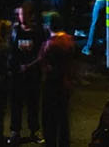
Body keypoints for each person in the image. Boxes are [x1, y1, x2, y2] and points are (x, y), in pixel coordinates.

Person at [9, 0, 46, 144]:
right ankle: (15, 132)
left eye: (23, 14)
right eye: (19, 14)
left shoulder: (38, 32)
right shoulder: (15, 31)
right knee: (16, 103)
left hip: (32, 75)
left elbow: (41, 54)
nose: (21, 17)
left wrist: (29, 66)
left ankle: (34, 130)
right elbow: (11, 51)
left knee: (33, 104)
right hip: (18, 75)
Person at [39, 15, 76, 147]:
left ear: (49, 26)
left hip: (52, 85)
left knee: (50, 119)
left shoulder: (50, 44)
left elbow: (43, 62)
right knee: (63, 118)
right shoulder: (69, 40)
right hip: (66, 84)